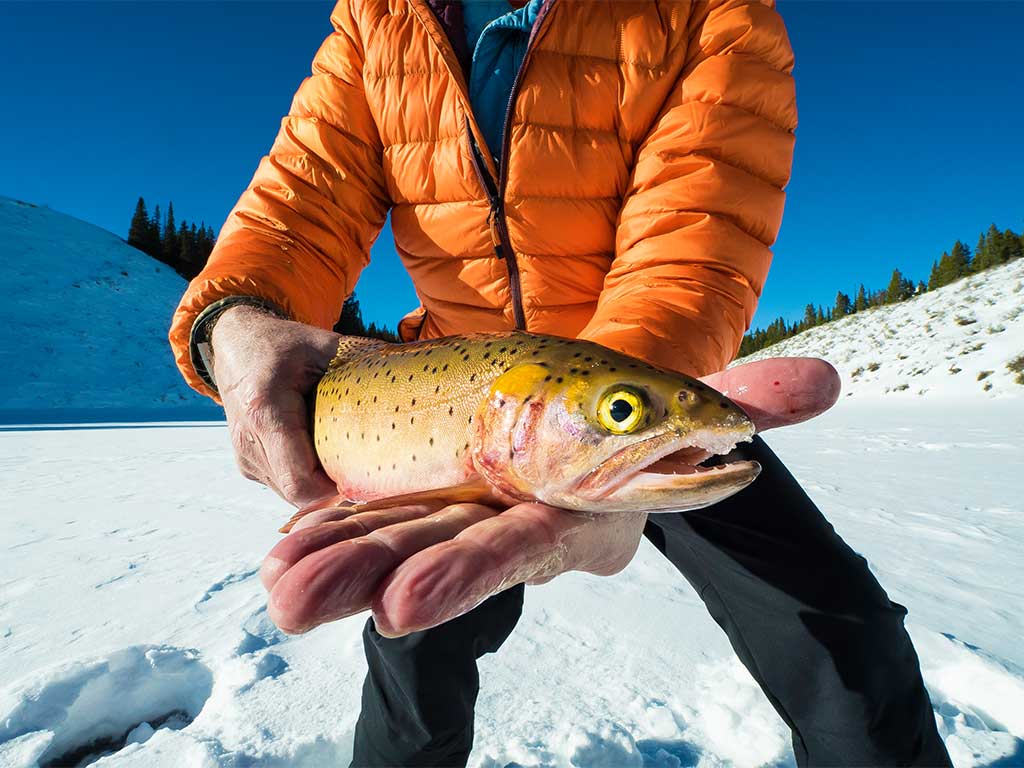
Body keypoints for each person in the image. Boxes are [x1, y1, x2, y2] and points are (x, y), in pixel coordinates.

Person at [169, 1, 952, 765]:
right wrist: (237, 321)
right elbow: (300, 205)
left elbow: (691, 246)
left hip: (647, 392)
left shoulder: (713, 13)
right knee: (412, 645)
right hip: (450, 397)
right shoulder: (377, 19)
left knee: (844, 636)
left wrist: (616, 410)